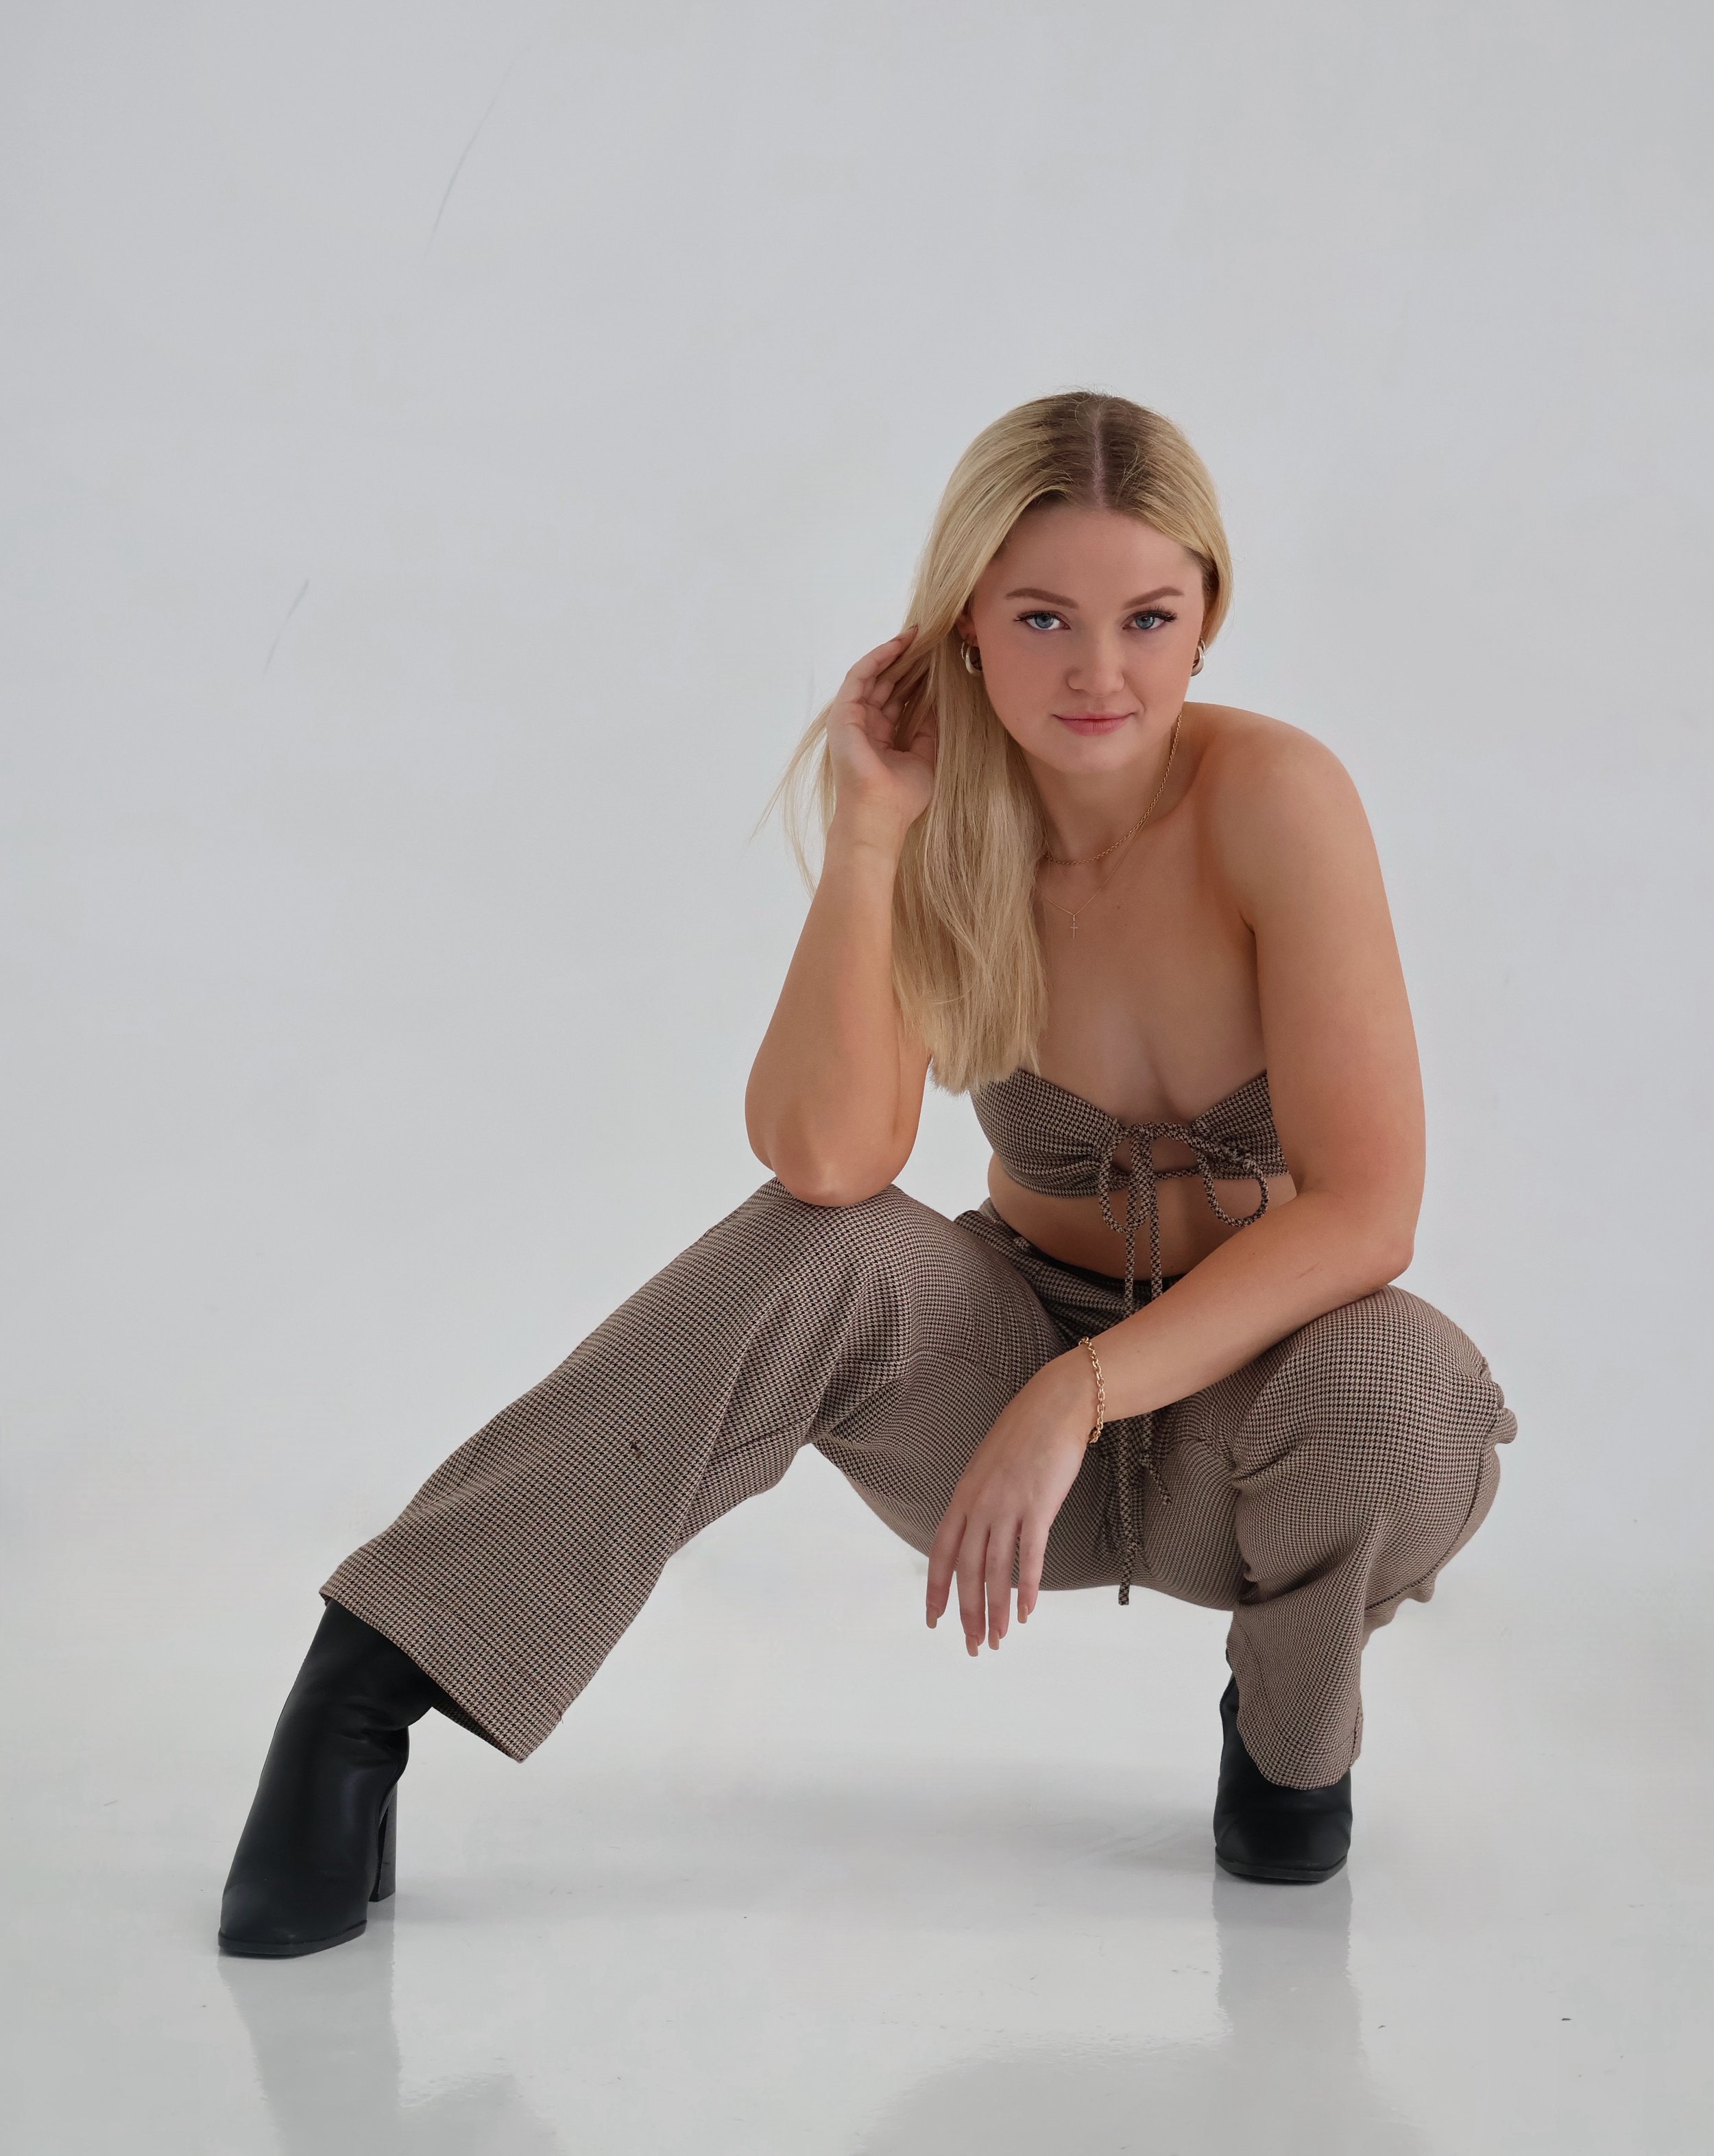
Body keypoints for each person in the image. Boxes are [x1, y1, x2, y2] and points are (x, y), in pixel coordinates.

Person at [218, 391, 1516, 1958]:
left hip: (1244, 1438)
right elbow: (827, 1158)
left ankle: (1291, 1743)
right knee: (812, 1243)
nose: (1096, 673)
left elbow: (1367, 1209)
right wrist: (869, 838)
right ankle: (365, 1691)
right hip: (991, 1408)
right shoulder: (942, 822)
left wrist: (1080, 1396)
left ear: (1206, 618)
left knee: (1402, 1383)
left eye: (1144, 618)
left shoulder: (1274, 800)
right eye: (1039, 618)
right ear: (963, 620)